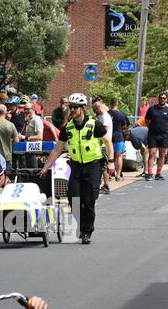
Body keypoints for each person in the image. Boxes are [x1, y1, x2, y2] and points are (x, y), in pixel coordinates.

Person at [40, 93, 114, 245]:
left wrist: (111, 162)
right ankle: (81, 226)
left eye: (75, 107)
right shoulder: (68, 128)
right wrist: (46, 167)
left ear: (83, 108)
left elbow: (108, 143)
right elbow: (57, 150)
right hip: (76, 167)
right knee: (73, 199)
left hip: (93, 165)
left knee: (88, 200)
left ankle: (87, 231)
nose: (72, 110)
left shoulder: (94, 125)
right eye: (70, 107)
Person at [145, 92, 168, 181]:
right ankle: (149, 173)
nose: (162, 99)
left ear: (167, 99)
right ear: (158, 99)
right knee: (152, 153)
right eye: (161, 98)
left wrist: (167, 130)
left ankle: (158, 173)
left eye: (164, 98)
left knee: (162, 154)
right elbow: (146, 120)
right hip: (153, 135)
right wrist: (150, 128)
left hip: (164, 136)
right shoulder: (152, 109)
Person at [92, 99, 113, 195]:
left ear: (99, 108)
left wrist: (99, 145)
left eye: (95, 109)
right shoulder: (100, 116)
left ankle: (106, 185)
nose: (94, 112)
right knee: (101, 166)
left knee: (103, 166)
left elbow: (103, 133)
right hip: (101, 145)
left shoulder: (105, 117)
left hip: (104, 145)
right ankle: (102, 184)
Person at [108, 98, 129, 181]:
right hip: (118, 137)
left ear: (110, 104)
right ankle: (118, 175)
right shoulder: (121, 114)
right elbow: (125, 125)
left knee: (109, 156)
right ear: (117, 104)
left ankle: (109, 175)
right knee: (119, 157)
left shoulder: (107, 114)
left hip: (108, 137)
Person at [20, 103, 44, 168]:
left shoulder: (36, 120)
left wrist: (25, 137)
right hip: (29, 150)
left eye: (27, 109)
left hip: (34, 151)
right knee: (28, 172)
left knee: (34, 172)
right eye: (24, 109)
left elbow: (40, 137)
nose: (25, 111)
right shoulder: (29, 120)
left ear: (33, 109)